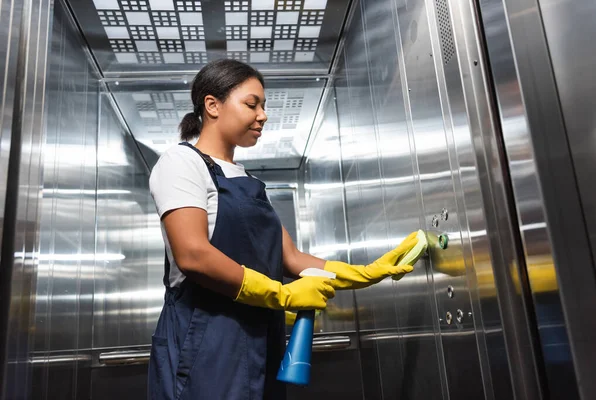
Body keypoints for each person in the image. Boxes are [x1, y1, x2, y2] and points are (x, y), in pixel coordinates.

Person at [147, 59, 422, 400]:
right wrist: (282, 295)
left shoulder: (248, 182)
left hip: (260, 340)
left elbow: (290, 258)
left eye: (263, 106)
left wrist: (366, 273)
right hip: (205, 341)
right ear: (212, 105)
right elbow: (193, 255)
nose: (263, 115)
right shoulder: (181, 162)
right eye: (252, 104)